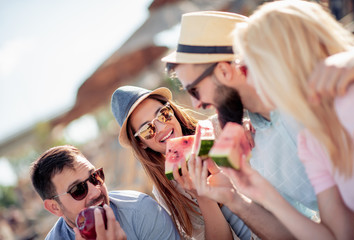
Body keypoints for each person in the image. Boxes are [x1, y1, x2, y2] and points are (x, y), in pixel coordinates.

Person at [162, 10, 317, 239]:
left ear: (224, 71)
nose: (197, 105)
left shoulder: (310, 99)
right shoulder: (254, 145)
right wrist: (235, 199)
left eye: (194, 90)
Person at [217, 0, 354, 239]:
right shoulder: (310, 139)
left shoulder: (350, 98)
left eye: (251, 68)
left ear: (282, 58)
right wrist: (264, 194)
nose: (249, 82)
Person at [111, 85, 251, 240]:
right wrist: (201, 197)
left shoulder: (217, 128)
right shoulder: (166, 192)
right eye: (147, 129)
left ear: (172, 110)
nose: (162, 127)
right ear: (141, 143)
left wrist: (249, 127)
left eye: (163, 114)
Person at [30, 145, 181, 240]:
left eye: (95, 177)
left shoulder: (141, 211)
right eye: (78, 190)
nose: (96, 192)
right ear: (54, 207)